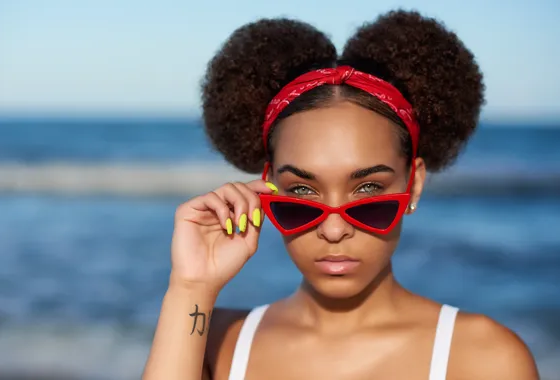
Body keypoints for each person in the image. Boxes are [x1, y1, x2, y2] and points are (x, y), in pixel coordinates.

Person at [143, 10, 539, 380]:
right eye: (302, 190)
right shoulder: (215, 342)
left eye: (368, 189)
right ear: (267, 187)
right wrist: (191, 287)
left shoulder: (483, 357)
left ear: (413, 183)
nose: (334, 229)